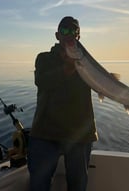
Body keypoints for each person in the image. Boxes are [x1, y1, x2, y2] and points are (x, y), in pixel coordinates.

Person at [28, 16, 98, 191]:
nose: (69, 34)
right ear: (57, 35)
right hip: (45, 133)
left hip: (79, 135)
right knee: (39, 184)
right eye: (65, 30)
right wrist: (67, 68)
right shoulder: (44, 59)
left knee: (78, 185)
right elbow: (42, 81)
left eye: (74, 31)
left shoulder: (87, 62)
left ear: (78, 37)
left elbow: (105, 86)